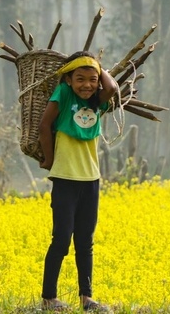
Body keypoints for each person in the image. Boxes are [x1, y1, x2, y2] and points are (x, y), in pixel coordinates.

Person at [37, 51, 118, 312]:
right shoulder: (63, 94)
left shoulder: (97, 101)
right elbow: (44, 125)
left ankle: (87, 297)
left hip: (91, 179)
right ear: (68, 80)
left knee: (85, 241)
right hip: (65, 178)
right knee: (61, 239)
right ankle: (49, 297)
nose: (87, 85)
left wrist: (98, 67)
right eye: (80, 79)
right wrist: (49, 159)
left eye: (92, 80)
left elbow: (112, 88)